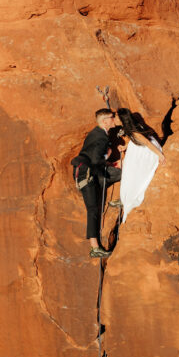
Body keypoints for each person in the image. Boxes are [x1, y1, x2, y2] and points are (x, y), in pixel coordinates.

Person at [71, 108, 122, 258]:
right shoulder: (101, 137)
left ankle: (120, 199)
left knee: (120, 173)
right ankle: (95, 248)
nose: (114, 119)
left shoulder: (99, 133)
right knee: (93, 209)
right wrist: (109, 156)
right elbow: (95, 159)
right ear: (105, 121)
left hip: (88, 173)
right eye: (112, 117)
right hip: (87, 175)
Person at [116, 108, 165, 221]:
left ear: (123, 119)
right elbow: (135, 140)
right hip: (141, 147)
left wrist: (160, 155)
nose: (115, 119)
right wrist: (125, 146)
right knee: (128, 169)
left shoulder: (134, 131)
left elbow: (146, 142)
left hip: (148, 151)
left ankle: (130, 198)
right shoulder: (131, 128)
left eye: (117, 117)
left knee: (132, 173)